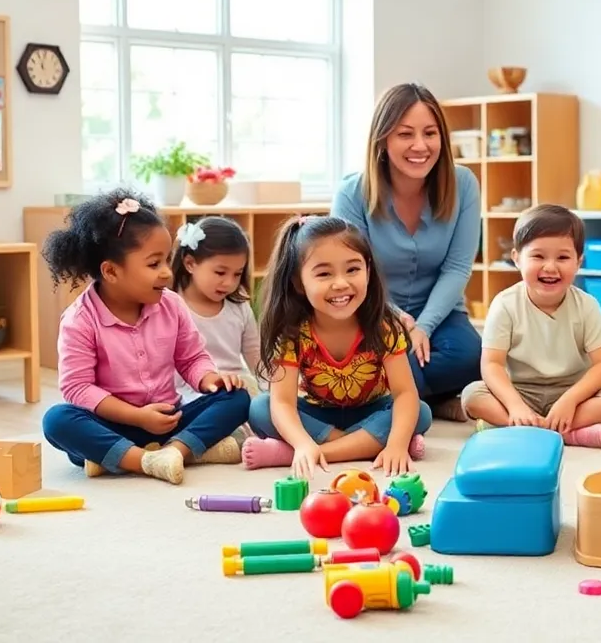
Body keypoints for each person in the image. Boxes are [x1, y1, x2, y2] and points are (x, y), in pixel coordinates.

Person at [39, 189, 250, 485]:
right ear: (111, 271)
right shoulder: (79, 320)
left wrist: (208, 379)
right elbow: (78, 388)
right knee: (57, 421)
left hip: (169, 420)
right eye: (154, 264)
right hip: (114, 426)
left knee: (237, 397)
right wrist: (137, 417)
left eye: (167, 261)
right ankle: (152, 458)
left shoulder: (171, 304)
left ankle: (164, 452)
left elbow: (191, 358)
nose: (166, 273)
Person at [332, 83, 482, 420]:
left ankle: (403, 398)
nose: (420, 146)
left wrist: (423, 327)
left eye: (430, 133)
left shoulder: (464, 184)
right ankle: (419, 400)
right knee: (401, 361)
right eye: (405, 134)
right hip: (373, 311)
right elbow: (354, 275)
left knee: (470, 356)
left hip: (440, 314)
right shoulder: (351, 194)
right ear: (383, 139)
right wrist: (400, 321)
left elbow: (458, 266)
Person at [242, 215, 432, 479]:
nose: (341, 283)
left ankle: (296, 454)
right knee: (261, 408)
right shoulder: (293, 333)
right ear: (298, 282)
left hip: (372, 409)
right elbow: (283, 403)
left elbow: (404, 394)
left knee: (420, 412)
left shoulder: (384, 325)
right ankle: (364, 445)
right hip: (317, 414)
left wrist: (398, 445)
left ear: (368, 269)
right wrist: (302, 441)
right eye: (324, 273)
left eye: (353, 269)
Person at [460, 205, 601, 448]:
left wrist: (570, 400)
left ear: (578, 262)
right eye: (538, 256)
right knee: (472, 396)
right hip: (521, 391)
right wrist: (515, 405)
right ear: (517, 259)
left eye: (562, 257)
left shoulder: (587, 305)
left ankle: (518, 427)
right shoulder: (505, 303)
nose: (550, 267)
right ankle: (565, 431)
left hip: (572, 391)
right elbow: (492, 364)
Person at [170, 217, 262, 447]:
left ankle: (220, 443)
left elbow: (257, 359)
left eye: (237, 274)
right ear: (190, 263)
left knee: (257, 405)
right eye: (220, 272)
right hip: (189, 394)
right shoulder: (169, 304)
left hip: (234, 392)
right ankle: (204, 443)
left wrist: (279, 395)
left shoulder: (239, 307)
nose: (229, 283)